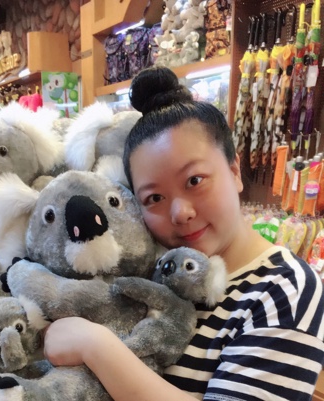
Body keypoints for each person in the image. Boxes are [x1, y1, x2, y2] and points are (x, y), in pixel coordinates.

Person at [43, 66, 324, 401]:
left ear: (234, 171)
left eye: (194, 180)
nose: (180, 212)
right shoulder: (154, 270)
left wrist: (95, 347)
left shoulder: (285, 290)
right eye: (154, 198)